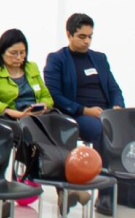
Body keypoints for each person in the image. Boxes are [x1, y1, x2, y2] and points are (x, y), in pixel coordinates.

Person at [43, 13, 125, 146]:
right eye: (82, 37)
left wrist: (117, 106)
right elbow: (55, 95)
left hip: (106, 113)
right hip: (77, 114)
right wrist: (85, 110)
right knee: (102, 128)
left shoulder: (100, 58)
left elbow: (114, 89)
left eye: (90, 36)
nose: (87, 41)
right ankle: (105, 167)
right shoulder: (57, 59)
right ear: (69, 35)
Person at [0, 29, 51, 123]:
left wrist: (43, 105)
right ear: (1, 52)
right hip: (8, 121)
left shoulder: (31, 67)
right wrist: (20, 115)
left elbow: (46, 97)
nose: (19, 57)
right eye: (13, 53)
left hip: (36, 117)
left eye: (22, 53)